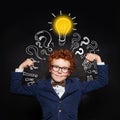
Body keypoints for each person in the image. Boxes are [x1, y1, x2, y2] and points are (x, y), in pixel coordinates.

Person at [10, 49, 108, 120]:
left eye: (64, 68)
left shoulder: (77, 86)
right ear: (50, 69)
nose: (59, 71)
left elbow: (102, 81)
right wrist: (21, 67)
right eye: (56, 67)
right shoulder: (40, 87)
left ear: (69, 72)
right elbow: (15, 88)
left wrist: (98, 59)